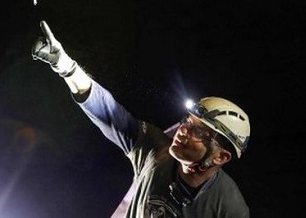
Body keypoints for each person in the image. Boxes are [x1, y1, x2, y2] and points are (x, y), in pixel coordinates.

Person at [32, 21, 251, 218]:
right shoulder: (156, 151)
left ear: (220, 157)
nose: (183, 130)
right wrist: (66, 67)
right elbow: (108, 113)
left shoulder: (229, 208)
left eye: (199, 132)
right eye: (187, 121)